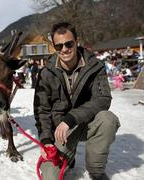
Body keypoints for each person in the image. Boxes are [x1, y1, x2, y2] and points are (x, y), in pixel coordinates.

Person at [33, 22, 120, 180]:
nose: (64, 49)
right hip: (60, 133)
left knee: (108, 120)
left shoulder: (95, 66)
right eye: (59, 46)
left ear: (76, 42)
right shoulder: (46, 73)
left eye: (68, 44)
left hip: (86, 123)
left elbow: (103, 99)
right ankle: (68, 157)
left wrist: (71, 118)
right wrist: (46, 140)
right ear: (54, 47)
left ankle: (96, 171)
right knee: (50, 177)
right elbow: (42, 110)